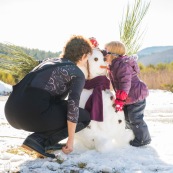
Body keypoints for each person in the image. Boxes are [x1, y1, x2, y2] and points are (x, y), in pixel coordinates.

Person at [4, 35, 92, 158]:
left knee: (56, 104)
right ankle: (39, 140)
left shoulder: (48, 61)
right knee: (84, 117)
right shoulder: (76, 73)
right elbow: (73, 107)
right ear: (83, 56)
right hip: (30, 115)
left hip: (10, 111)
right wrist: (70, 141)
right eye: (87, 57)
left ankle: (41, 141)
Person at [103, 41, 151, 147]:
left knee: (135, 118)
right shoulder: (114, 65)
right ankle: (132, 135)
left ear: (113, 54)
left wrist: (120, 100)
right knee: (127, 118)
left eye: (104, 52)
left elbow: (125, 83)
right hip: (128, 97)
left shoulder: (122, 65)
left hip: (136, 96)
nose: (103, 55)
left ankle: (143, 139)